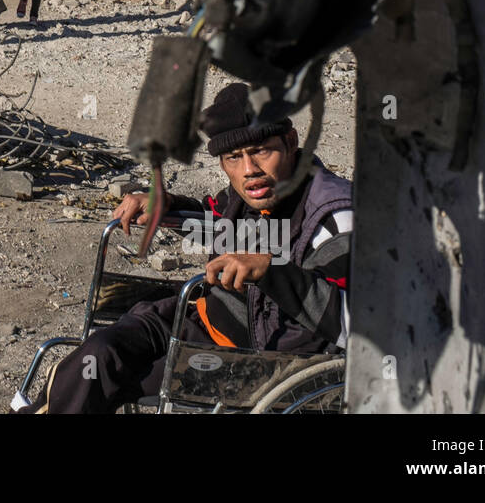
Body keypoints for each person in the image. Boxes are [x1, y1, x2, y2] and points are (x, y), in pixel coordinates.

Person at [19, 82, 353, 413]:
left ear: (291, 142)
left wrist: (272, 270)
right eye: (234, 157)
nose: (249, 169)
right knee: (99, 355)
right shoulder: (245, 195)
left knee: (98, 381)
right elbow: (213, 219)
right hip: (203, 320)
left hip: (264, 363)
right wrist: (167, 205)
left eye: (262, 150)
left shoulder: (335, 214)